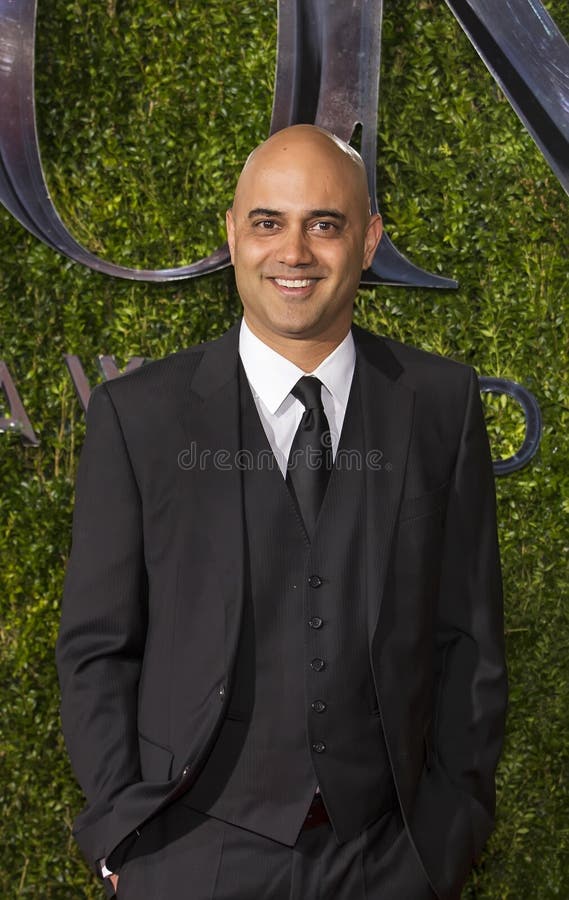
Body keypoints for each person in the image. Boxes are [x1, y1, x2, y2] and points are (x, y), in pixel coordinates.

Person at [56, 125, 507, 900]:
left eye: (323, 224)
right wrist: (122, 835)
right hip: (187, 854)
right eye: (268, 222)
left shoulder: (439, 403)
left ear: (367, 241)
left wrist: (447, 832)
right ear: (232, 234)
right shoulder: (141, 417)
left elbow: (468, 635)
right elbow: (98, 646)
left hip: (386, 860)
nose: (292, 252)